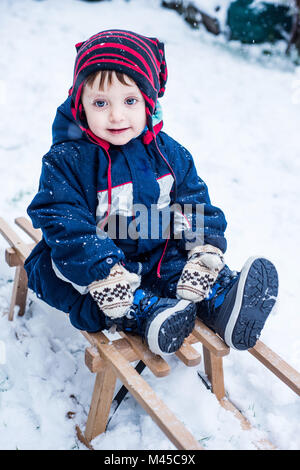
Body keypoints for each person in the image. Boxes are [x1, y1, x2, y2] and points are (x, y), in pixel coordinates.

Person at [25, 29, 278, 355]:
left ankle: (219, 299)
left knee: (185, 266)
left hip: (158, 254)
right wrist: (104, 269)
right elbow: (63, 218)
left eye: (129, 101)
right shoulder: (68, 160)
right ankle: (142, 312)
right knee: (63, 275)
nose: (116, 115)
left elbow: (193, 200)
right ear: (80, 105)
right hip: (95, 264)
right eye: (101, 103)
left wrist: (202, 246)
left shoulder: (168, 154)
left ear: (148, 104)